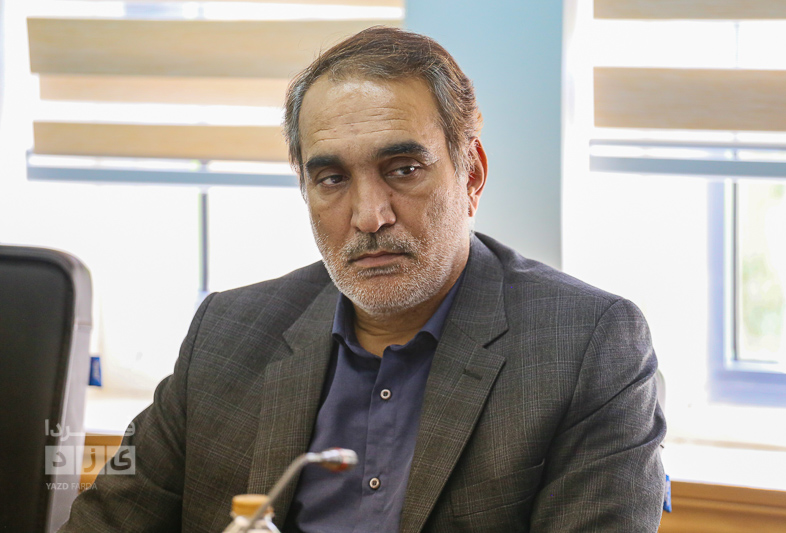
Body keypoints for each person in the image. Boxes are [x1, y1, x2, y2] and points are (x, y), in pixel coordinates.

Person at [61, 26, 666, 533]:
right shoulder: (226, 334)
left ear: (472, 174)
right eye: (332, 179)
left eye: (403, 169)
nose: (369, 216)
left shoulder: (588, 346)